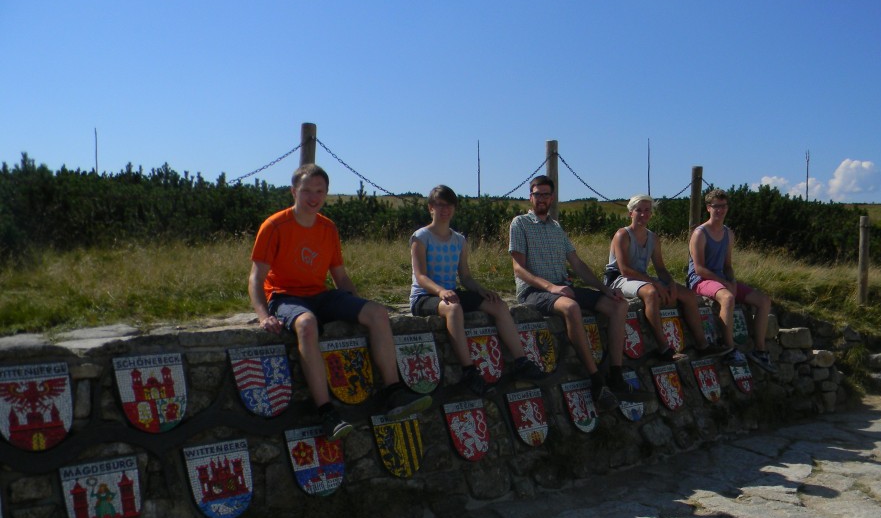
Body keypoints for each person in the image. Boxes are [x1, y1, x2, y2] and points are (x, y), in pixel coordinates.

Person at [249, 163, 432, 441]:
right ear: (293, 191)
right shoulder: (274, 226)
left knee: (378, 313)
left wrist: (358, 306)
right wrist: (264, 315)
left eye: (319, 191)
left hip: (320, 294)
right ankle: (326, 411)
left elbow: (340, 277)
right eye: (306, 190)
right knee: (307, 324)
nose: (313, 197)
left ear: (326, 193)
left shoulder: (328, 228)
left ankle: (394, 392)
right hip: (284, 296)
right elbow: (255, 279)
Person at [509, 175, 652, 412]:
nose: (541, 198)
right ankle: (597, 381)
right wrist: (552, 288)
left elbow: (577, 264)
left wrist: (606, 289)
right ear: (530, 196)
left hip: (562, 288)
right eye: (537, 194)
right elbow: (518, 268)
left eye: (546, 194)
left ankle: (616, 375)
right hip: (535, 291)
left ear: (552, 198)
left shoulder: (556, 227)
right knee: (571, 307)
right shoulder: (520, 223)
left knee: (619, 305)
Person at [410, 184, 548, 394]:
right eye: (440, 205)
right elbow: (420, 276)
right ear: (431, 207)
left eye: (449, 205)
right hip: (425, 296)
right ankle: (468, 371)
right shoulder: (420, 237)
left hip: (451, 293)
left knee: (498, 305)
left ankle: (521, 361)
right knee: (453, 309)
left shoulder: (459, 240)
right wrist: (440, 292)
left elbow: (465, 276)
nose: (445, 210)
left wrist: (481, 290)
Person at [606, 194, 726, 361]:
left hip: (641, 277)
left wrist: (670, 284)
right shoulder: (622, 235)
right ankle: (664, 347)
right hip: (618, 278)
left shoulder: (653, 238)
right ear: (630, 213)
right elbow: (625, 269)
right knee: (651, 293)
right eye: (638, 210)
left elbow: (660, 268)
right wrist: (655, 283)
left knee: (689, 296)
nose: (643, 214)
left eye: (647, 210)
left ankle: (702, 344)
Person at [687, 188, 778, 373]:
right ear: (708, 208)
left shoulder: (728, 233)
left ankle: (760, 349)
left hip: (721, 278)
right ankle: (729, 348)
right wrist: (724, 282)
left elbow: (727, 264)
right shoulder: (700, 233)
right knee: (728, 298)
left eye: (723, 206)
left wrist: (732, 280)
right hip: (700, 280)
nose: (720, 210)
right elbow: (699, 268)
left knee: (763, 300)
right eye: (716, 207)